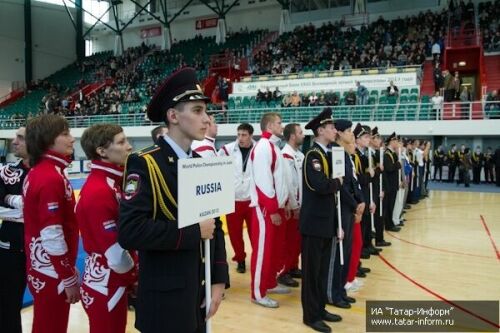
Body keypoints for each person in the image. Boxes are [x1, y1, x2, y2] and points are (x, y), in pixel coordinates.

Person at [118, 68, 229, 333]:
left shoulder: (202, 163)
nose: (206, 119)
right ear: (173, 116)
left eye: (206, 111)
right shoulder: (144, 163)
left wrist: (218, 280)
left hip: (198, 290)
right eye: (198, 110)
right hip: (164, 300)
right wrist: (192, 232)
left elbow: (215, 226)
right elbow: (130, 231)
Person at [77, 124, 137, 333]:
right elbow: (116, 255)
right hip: (106, 282)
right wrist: (136, 275)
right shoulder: (99, 190)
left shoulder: (112, 182)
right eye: (121, 142)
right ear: (101, 151)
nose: (129, 147)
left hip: (110, 280)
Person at [23, 114, 80, 333]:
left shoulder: (41, 172)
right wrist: (67, 276)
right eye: (65, 134)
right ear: (48, 140)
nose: (72, 139)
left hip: (45, 266)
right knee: (51, 326)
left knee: (48, 324)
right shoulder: (49, 177)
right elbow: (52, 232)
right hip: (50, 270)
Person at [300, 108, 342, 333]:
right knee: (311, 272)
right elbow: (319, 185)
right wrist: (337, 182)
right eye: (331, 127)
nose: (335, 130)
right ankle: (310, 315)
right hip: (314, 224)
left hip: (326, 222)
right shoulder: (312, 156)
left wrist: (335, 182)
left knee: (322, 271)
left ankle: (320, 308)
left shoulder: (327, 154)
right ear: (320, 130)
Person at [247, 112, 291, 308]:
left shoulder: (273, 146)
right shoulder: (263, 147)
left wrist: (285, 204)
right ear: (270, 126)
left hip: (277, 207)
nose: (282, 126)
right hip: (265, 209)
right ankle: (258, 293)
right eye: (280, 123)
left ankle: (270, 283)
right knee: (263, 252)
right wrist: (272, 208)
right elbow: (263, 182)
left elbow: (281, 180)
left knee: (273, 250)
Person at [0, 127, 29, 333]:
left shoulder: (51, 173)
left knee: (51, 305)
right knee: (7, 305)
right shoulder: (5, 172)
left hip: (46, 250)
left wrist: (10, 200)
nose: (14, 141)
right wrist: (25, 208)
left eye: (20, 137)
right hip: (9, 248)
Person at [218, 123, 255, 274]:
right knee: (234, 234)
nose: (240, 138)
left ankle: (257, 258)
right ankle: (240, 259)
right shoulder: (226, 150)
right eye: (239, 134)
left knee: (255, 233)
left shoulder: (258, 149)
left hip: (252, 200)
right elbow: (217, 169)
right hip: (232, 200)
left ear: (251, 136)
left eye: (244, 135)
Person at [278, 123, 305, 288]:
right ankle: (283, 272)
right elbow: (288, 184)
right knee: (288, 241)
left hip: (301, 204)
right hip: (292, 206)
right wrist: (294, 205)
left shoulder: (299, 155)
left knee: (297, 240)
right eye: (300, 132)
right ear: (293, 136)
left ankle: (293, 266)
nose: (303, 135)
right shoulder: (285, 155)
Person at [383, 132, 402, 232]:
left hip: (393, 184)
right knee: (389, 206)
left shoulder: (392, 153)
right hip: (389, 184)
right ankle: (388, 225)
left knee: (391, 205)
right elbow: (389, 168)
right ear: (392, 141)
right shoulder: (387, 153)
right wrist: (397, 165)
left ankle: (390, 223)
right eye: (396, 141)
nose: (397, 143)